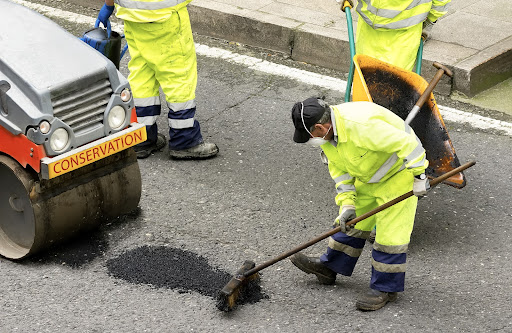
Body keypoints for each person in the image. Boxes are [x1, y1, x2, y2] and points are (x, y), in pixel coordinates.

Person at [289, 97, 429, 311]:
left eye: (310, 135)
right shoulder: (329, 137)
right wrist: (347, 204)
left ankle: (385, 288)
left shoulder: (362, 126)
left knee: (390, 236)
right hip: (369, 176)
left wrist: (419, 176)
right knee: (351, 223)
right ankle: (329, 267)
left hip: (399, 176)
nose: (311, 140)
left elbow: (408, 144)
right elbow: (340, 172)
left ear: (320, 126)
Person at [97, 0, 218, 159]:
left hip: (132, 15)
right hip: (165, 16)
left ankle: (141, 136)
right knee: (177, 74)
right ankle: (184, 139)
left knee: (142, 73)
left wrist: (109, 5)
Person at [345, 0, 451, 71]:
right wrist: (431, 19)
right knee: (393, 84)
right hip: (403, 31)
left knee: (371, 80)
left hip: (394, 30)